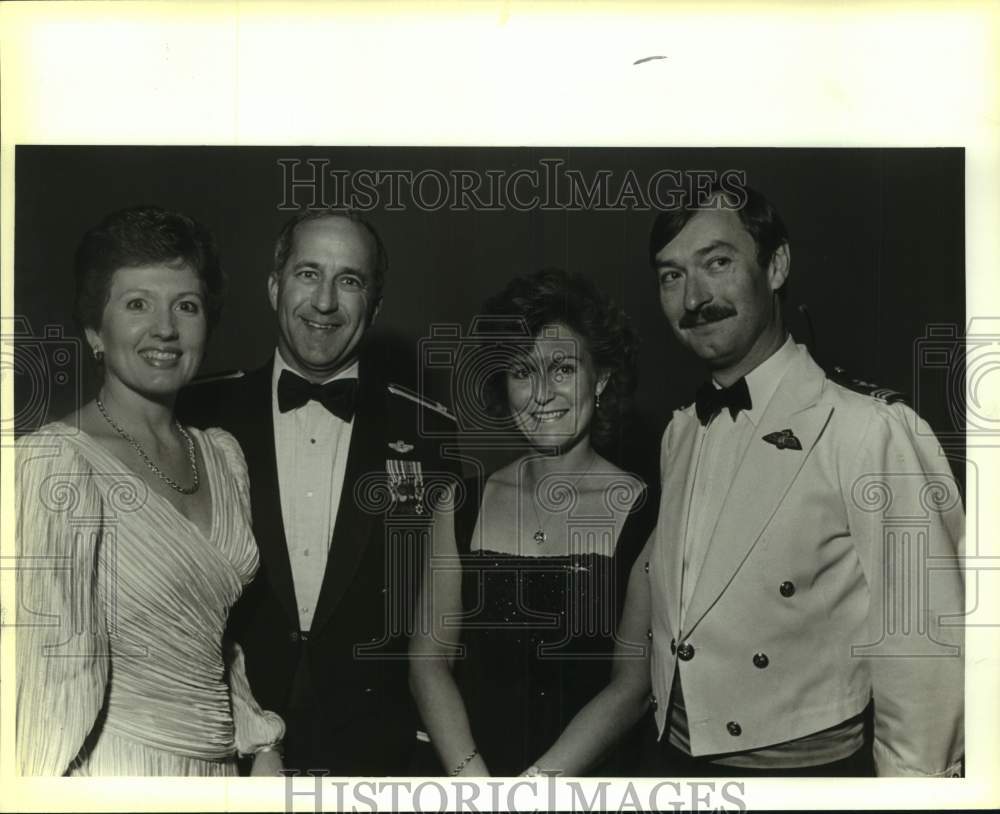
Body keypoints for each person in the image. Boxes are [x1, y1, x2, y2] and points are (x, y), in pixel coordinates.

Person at [636, 184, 963, 776]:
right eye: (671, 276)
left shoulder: (868, 428)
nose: (695, 298)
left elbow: (925, 652)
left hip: (806, 774)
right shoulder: (679, 431)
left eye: (718, 262)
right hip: (674, 760)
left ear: (777, 265)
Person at [178, 209, 458, 775]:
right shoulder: (199, 417)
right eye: (308, 274)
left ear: (374, 306)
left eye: (349, 280)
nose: (325, 302)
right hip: (222, 747)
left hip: (378, 757)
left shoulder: (428, 431)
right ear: (275, 286)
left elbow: (437, 626)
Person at [16, 205, 284, 776]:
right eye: (137, 303)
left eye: (185, 306)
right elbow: (48, 676)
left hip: (219, 772)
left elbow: (214, 639)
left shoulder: (221, 456)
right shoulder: (54, 462)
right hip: (117, 771)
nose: (165, 328)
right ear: (94, 328)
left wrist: (261, 746)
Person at [409, 269, 658, 777]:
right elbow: (428, 661)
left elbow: (632, 687)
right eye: (522, 372)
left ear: (602, 377)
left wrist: (535, 791)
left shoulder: (647, 510)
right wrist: (473, 783)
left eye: (562, 369)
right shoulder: (461, 504)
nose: (541, 393)